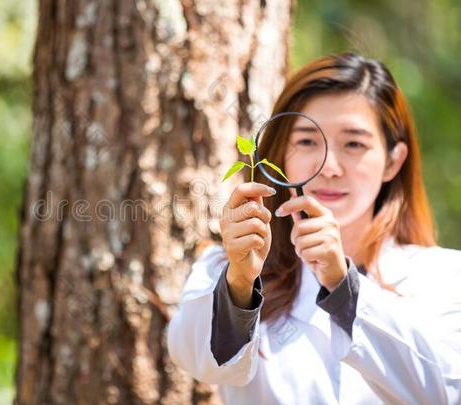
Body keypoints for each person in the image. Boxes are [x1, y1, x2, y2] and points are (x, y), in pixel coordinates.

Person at [166, 53, 461, 404]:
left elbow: (445, 389)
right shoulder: (225, 271)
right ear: (279, 157)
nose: (330, 167)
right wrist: (240, 285)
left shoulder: (445, 277)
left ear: (393, 161)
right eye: (307, 141)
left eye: (354, 144)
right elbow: (195, 359)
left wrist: (343, 286)